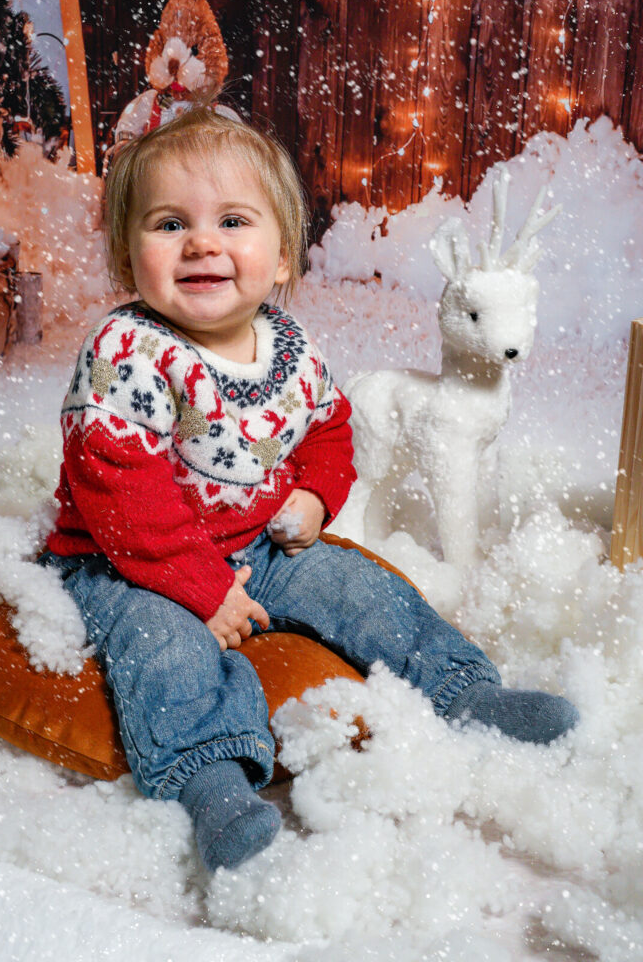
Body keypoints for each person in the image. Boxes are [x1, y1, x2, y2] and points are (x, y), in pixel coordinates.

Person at [39, 107, 578, 872]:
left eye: (233, 220)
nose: (201, 243)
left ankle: (464, 692)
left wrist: (317, 499)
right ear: (128, 259)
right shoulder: (126, 351)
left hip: (259, 538)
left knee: (360, 587)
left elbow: (328, 429)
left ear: (283, 255)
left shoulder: (290, 348)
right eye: (167, 224)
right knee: (163, 650)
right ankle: (213, 783)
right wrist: (201, 590)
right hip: (130, 560)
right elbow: (119, 489)